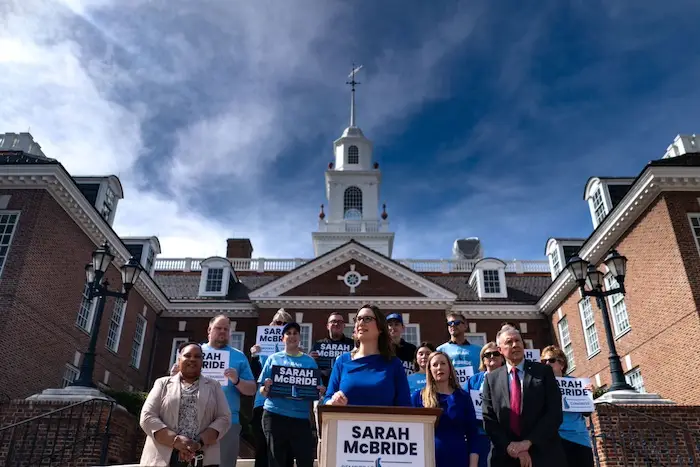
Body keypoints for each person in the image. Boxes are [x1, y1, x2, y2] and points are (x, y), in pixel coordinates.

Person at [482, 327, 565, 467]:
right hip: (505, 457)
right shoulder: (491, 380)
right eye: (509, 342)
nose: (515, 345)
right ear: (500, 350)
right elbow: (489, 419)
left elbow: (554, 413)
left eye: (518, 340)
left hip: (543, 453)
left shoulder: (543, 372)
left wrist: (528, 443)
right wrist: (511, 447)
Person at [140, 342, 232, 467]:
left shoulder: (214, 386)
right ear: (179, 360)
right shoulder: (162, 383)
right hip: (162, 457)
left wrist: (199, 442)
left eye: (197, 356)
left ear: (202, 361)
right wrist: (176, 441)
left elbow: (224, 418)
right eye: (187, 355)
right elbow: (147, 416)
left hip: (202, 457)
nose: (192, 359)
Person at [259, 322, 324, 467]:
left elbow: (317, 390)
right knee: (277, 461)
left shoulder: (309, 362)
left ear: (300, 337)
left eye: (295, 333)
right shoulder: (273, 359)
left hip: (300, 418)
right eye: (288, 333)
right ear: (283, 338)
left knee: (305, 460)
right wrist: (266, 387)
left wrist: (320, 391)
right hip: (274, 415)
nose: (292, 336)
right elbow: (262, 391)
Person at [324, 304, 411, 407]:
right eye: (358, 319)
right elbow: (327, 399)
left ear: (380, 328)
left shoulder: (394, 363)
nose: (360, 323)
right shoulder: (342, 361)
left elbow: (405, 406)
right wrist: (333, 402)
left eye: (367, 319)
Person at [201, 315, 257, 467]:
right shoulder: (195, 353)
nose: (222, 332)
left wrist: (237, 380)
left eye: (226, 329)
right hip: (197, 418)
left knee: (225, 464)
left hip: (228, 422)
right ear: (209, 330)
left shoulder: (239, 356)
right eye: (219, 328)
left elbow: (252, 389)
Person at [410, 351, 480, 467]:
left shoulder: (463, 397)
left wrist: (473, 464)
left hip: (459, 459)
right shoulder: (418, 397)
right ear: (429, 370)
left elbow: (473, 434)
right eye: (435, 365)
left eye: (443, 363)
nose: (439, 368)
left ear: (449, 368)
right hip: (428, 460)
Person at [250, 309, 294, 467]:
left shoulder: (294, 352)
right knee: (262, 448)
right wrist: (254, 356)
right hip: (262, 402)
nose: (280, 326)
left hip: (286, 404)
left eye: (284, 324)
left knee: (283, 449)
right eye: (278, 323)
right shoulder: (262, 348)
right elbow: (254, 376)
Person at [541, 345, 594, 467]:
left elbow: (586, 412)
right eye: (544, 361)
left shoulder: (576, 383)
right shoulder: (540, 385)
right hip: (554, 439)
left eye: (551, 360)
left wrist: (589, 394)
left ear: (562, 364)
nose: (547, 363)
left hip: (579, 438)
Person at [468, 342, 506, 467]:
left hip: (504, 435)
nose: (492, 356)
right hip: (480, 434)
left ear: (502, 357)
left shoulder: (511, 378)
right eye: (487, 354)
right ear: (483, 360)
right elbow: (464, 402)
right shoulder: (474, 380)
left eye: (496, 353)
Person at [437, 311, 482, 388]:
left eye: (457, 322)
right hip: (451, 391)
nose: (453, 325)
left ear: (465, 326)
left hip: (473, 391)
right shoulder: (440, 350)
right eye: (450, 323)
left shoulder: (479, 350)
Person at [309, 312, 354, 386]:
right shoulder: (318, 345)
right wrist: (309, 359)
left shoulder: (352, 345)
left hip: (345, 385)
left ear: (344, 325)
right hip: (323, 386)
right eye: (333, 321)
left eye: (340, 322)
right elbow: (311, 367)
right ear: (327, 326)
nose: (336, 324)